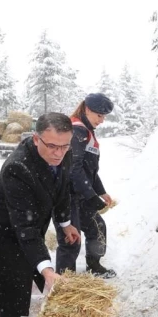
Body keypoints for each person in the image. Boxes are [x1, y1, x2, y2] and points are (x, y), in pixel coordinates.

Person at [0, 113, 80, 317]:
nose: (59, 153)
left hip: (29, 222)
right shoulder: (18, 167)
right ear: (36, 139)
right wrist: (47, 270)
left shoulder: (61, 154)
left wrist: (65, 222)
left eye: (65, 146)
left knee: (24, 272)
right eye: (52, 146)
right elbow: (23, 228)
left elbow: (61, 190)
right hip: (3, 227)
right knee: (11, 278)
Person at [54, 93, 117, 279]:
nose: (102, 120)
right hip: (66, 195)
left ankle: (94, 265)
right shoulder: (77, 131)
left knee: (96, 227)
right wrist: (92, 197)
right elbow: (74, 169)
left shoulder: (86, 132)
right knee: (70, 240)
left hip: (80, 192)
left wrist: (101, 191)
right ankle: (65, 283)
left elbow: (90, 169)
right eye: (99, 115)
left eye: (104, 116)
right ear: (87, 109)